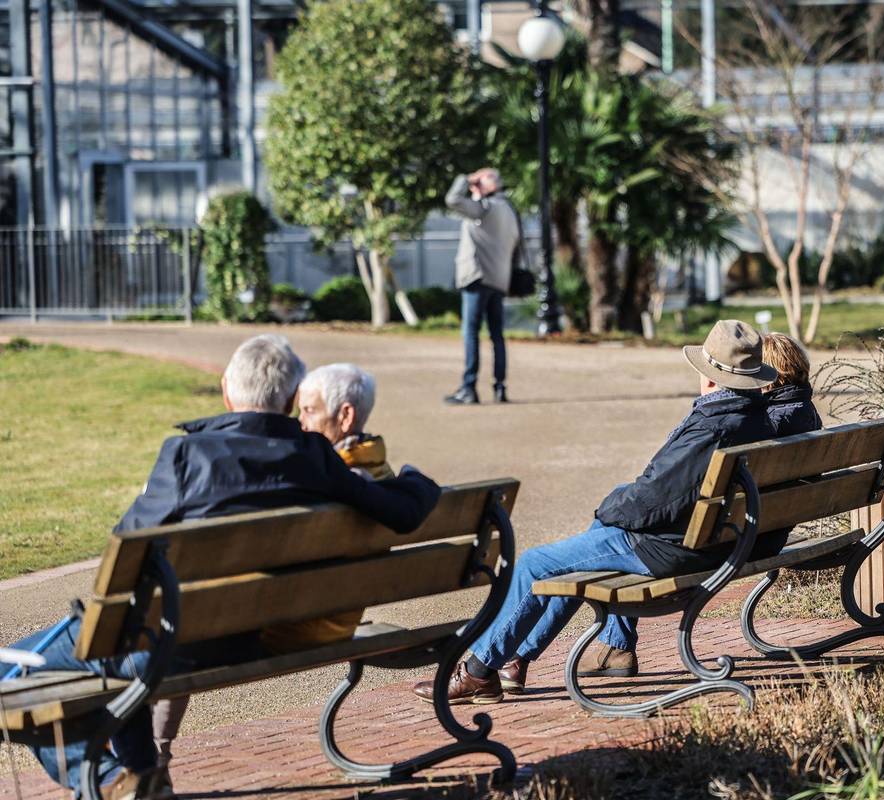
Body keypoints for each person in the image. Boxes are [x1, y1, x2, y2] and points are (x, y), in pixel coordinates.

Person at [9, 335, 441, 800]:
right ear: (293, 399)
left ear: (226, 392)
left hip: (170, 639)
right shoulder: (316, 457)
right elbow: (401, 511)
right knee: (121, 653)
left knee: (15, 671)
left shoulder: (186, 456)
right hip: (246, 636)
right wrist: (417, 479)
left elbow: (122, 554)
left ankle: (111, 780)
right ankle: (140, 779)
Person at [414, 320, 778, 705]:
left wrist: (609, 509)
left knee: (535, 564)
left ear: (708, 378)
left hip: (669, 550)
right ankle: (587, 650)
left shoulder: (712, 428)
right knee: (589, 540)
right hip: (717, 542)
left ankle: (477, 671)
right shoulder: (757, 418)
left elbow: (653, 500)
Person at [443, 167, 520, 406]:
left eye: (480, 182)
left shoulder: (485, 208)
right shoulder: (509, 210)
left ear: (490, 185)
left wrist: (466, 179)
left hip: (477, 278)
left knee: (471, 333)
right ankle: (500, 386)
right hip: (499, 280)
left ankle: (468, 388)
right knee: (497, 335)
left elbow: (452, 200)